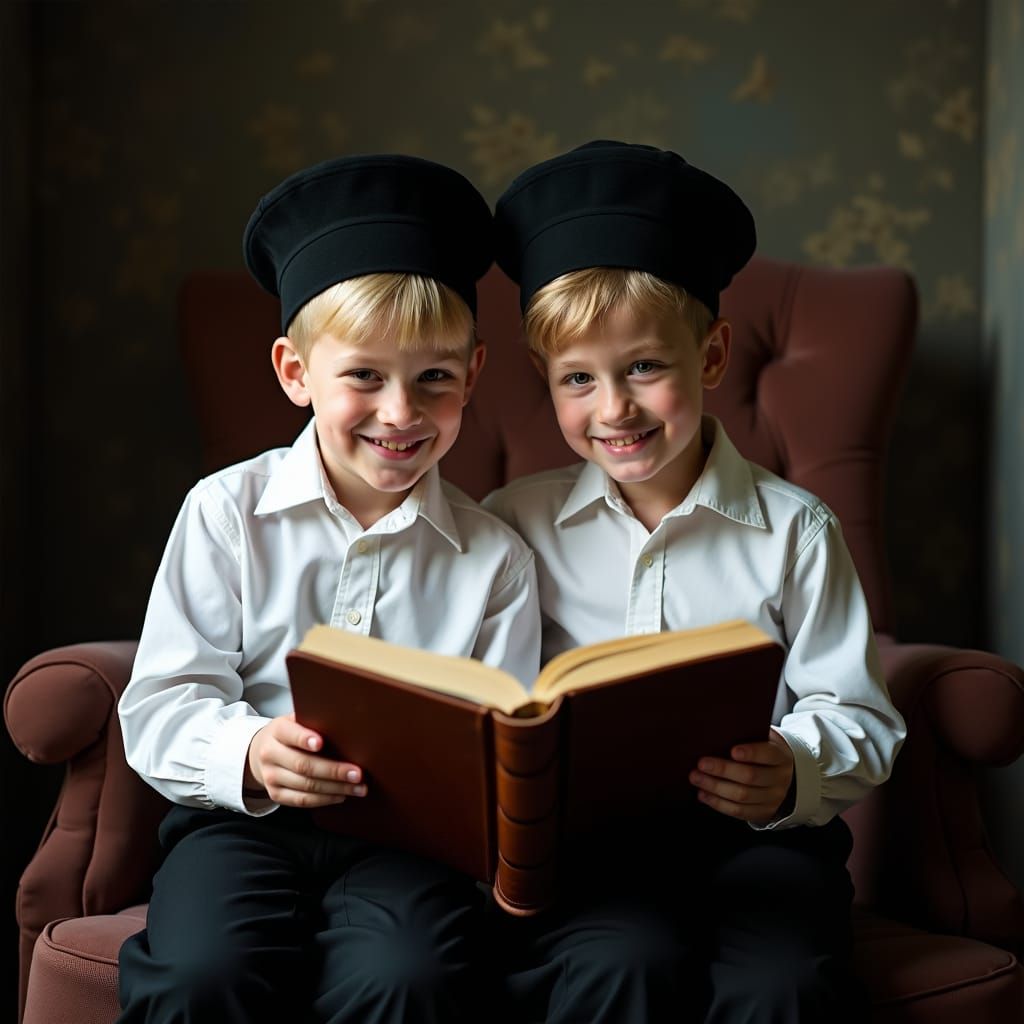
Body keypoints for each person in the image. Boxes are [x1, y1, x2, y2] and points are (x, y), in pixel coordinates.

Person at [484, 140, 907, 1023]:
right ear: (545, 382)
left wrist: (792, 768)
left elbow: (860, 714)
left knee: (781, 987)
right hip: (593, 856)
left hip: (764, 849)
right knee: (620, 966)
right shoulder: (512, 524)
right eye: (579, 380)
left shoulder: (797, 529)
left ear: (711, 356)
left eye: (645, 367)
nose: (616, 410)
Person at [116, 153, 540, 1024]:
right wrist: (249, 751)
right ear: (295, 371)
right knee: (199, 974)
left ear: (474, 373)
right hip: (239, 826)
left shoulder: (495, 557)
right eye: (363, 377)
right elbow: (160, 701)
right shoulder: (227, 512)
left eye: (435, 378)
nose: (400, 413)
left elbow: (504, 735)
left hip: (408, 850)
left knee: (411, 978)